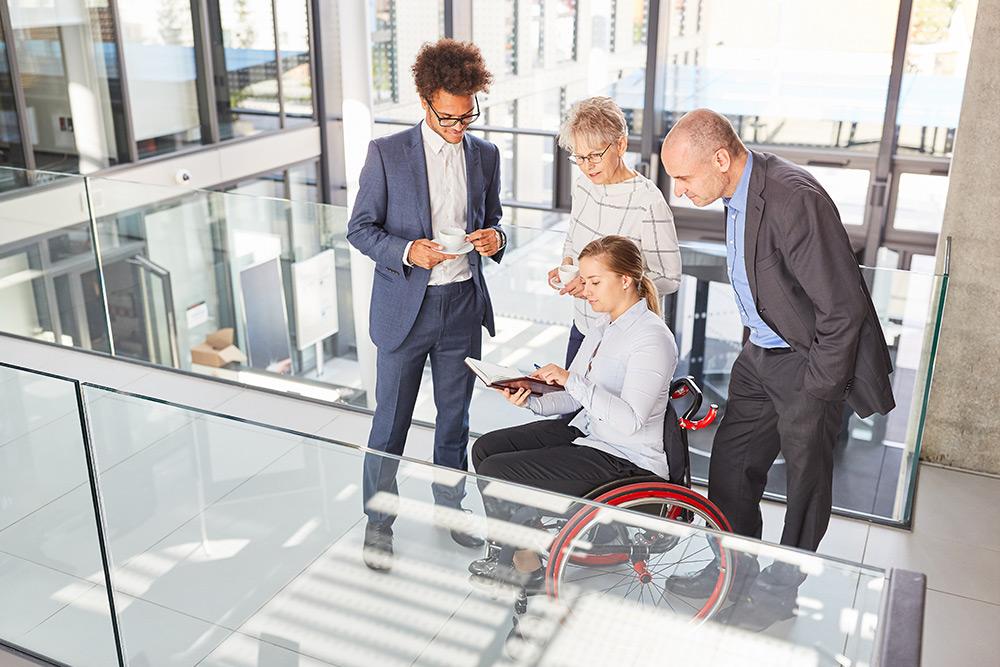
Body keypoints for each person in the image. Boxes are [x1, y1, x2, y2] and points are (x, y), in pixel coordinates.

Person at [658, 109, 895, 630]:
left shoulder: (794, 199)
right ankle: (731, 573)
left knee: (806, 487)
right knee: (730, 469)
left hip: (807, 365)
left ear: (720, 158)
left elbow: (843, 309)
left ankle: (781, 589)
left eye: (683, 177)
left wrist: (817, 390)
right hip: (759, 355)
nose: (679, 190)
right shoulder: (736, 192)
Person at [347, 39, 506, 571]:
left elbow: (497, 219)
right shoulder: (387, 154)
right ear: (425, 102)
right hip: (404, 311)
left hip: (461, 305)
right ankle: (378, 522)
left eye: (468, 116)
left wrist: (495, 240)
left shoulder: (485, 156)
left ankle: (449, 510)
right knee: (390, 423)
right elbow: (360, 229)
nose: (460, 126)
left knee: (454, 421)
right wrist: (407, 250)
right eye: (449, 117)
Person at [469, 235, 678, 587]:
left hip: (624, 457)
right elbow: (573, 399)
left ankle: (523, 564)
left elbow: (630, 420)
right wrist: (531, 398)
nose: (586, 289)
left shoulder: (651, 338)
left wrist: (571, 380)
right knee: (484, 449)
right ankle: (518, 546)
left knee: (497, 471)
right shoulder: (604, 326)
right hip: (590, 433)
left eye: (594, 282)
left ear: (625, 279)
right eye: (584, 280)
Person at [551, 96, 681, 366]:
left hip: (625, 339)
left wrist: (607, 286)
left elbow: (670, 278)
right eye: (580, 157)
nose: (587, 166)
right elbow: (574, 236)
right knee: (569, 406)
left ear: (620, 145)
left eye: (595, 156)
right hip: (584, 327)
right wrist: (568, 264)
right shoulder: (583, 185)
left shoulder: (648, 203)